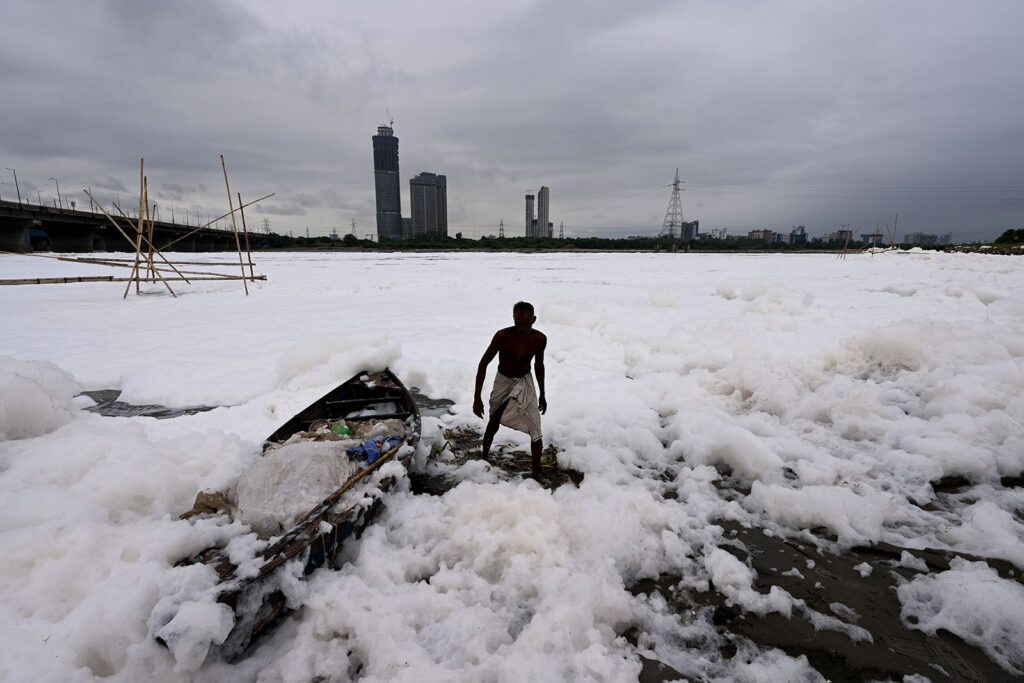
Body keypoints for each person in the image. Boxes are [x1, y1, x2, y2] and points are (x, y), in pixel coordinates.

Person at [473, 301, 548, 479]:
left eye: (526, 323)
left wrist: (543, 394)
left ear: (534, 320)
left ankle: (536, 472)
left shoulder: (539, 339)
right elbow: (483, 363)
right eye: (518, 323)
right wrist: (477, 397)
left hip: (524, 380)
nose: (522, 328)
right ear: (513, 319)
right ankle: (484, 458)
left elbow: (539, 365)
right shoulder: (502, 336)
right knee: (494, 418)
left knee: (536, 426)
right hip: (503, 379)